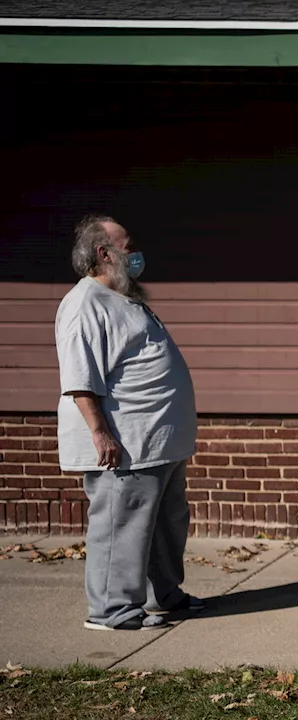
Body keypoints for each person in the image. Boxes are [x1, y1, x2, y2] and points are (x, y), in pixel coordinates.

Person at [56, 215, 203, 631]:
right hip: (126, 442)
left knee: (165, 525)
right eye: (128, 245)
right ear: (104, 253)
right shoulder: (84, 303)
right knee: (122, 526)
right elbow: (79, 376)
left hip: (159, 442)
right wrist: (100, 433)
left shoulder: (124, 297)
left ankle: (164, 596)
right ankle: (111, 610)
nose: (135, 254)